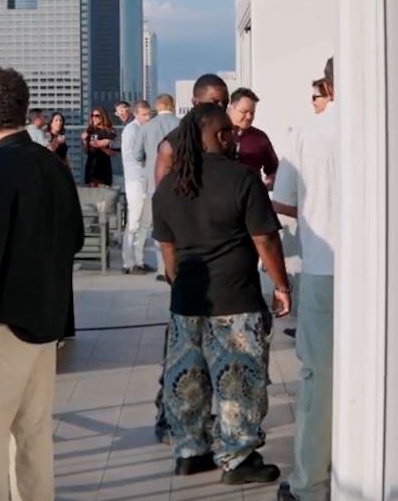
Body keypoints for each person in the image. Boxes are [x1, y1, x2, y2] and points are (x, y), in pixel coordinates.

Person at [0, 67, 85, 501]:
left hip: (1, 329)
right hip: (46, 325)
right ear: (25, 112)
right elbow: (76, 239)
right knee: (32, 438)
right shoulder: (54, 165)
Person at [153, 102, 290, 484]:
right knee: (237, 380)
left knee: (188, 379)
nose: (234, 137)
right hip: (235, 298)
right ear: (219, 135)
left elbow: (168, 251)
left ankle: (190, 452)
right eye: (229, 130)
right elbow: (265, 238)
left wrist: (180, 287)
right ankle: (238, 457)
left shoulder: (169, 186)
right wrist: (281, 286)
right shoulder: (241, 179)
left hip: (187, 301)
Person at [274, 59, 341, 501]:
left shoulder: (306, 134)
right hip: (388, 274)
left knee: (321, 375)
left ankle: (310, 481)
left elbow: (283, 201)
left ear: (328, 85)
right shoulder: (395, 126)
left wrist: (321, 212)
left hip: (324, 268)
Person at [126, 96, 181, 276]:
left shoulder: (146, 127)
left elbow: (136, 155)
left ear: (157, 107)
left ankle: (162, 269)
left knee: (154, 225)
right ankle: (177, 266)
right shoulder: (182, 125)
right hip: (179, 182)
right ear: (172, 106)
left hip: (154, 182)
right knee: (179, 225)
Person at [228, 88, 279, 186]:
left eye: (252, 113)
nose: (249, 117)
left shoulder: (260, 138)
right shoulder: (217, 133)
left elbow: (274, 170)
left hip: (251, 196)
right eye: (244, 111)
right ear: (231, 108)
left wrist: (269, 182)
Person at [82, 106, 119, 188]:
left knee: (103, 192)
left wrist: (101, 146)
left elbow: (112, 153)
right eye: (92, 116)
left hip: (103, 166)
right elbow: (86, 151)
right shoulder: (90, 130)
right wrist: (85, 141)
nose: (94, 118)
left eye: (97, 116)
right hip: (91, 164)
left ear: (103, 117)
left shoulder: (109, 132)